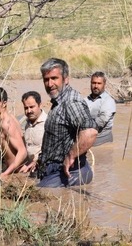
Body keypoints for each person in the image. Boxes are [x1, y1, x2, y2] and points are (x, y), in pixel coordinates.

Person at [36, 58, 98, 188]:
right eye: (46, 79)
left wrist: (71, 156)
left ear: (66, 79)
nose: (50, 83)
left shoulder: (70, 102)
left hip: (69, 172)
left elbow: (90, 132)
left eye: (54, 78)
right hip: (59, 171)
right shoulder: (59, 101)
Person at [0, 87, 27, 177]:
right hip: (16, 172)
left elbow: (22, 151)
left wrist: (5, 173)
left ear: (4, 103)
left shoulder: (6, 124)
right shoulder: (9, 118)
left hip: (19, 174)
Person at [85, 71, 116, 146]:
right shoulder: (84, 100)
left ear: (104, 84)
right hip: (85, 142)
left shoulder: (108, 101)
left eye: (99, 83)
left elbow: (101, 121)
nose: (96, 86)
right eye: (93, 83)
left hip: (102, 143)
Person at [19, 91, 48, 174]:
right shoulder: (27, 124)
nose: (29, 111)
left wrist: (37, 162)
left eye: (32, 107)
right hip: (28, 166)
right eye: (26, 108)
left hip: (41, 166)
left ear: (40, 105)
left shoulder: (48, 123)